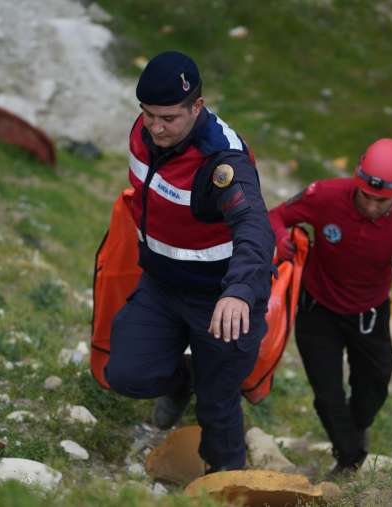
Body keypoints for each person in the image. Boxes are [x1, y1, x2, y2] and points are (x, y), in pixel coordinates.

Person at [104, 51, 275, 473]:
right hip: (162, 285)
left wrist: (238, 293)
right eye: (148, 115)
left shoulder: (223, 161)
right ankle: (183, 379)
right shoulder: (145, 131)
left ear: (196, 107)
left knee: (218, 408)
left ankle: (228, 486)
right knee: (125, 374)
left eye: (168, 118)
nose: (156, 128)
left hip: (221, 300)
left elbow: (255, 228)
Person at [269, 138, 392, 474]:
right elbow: (274, 216)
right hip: (317, 310)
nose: (371, 206)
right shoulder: (324, 195)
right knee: (327, 395)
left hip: (369, 316)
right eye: (366, 196)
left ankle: (355, 430)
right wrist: (281, 238)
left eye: (381, 200)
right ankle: (350, 459)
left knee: (372, 389)